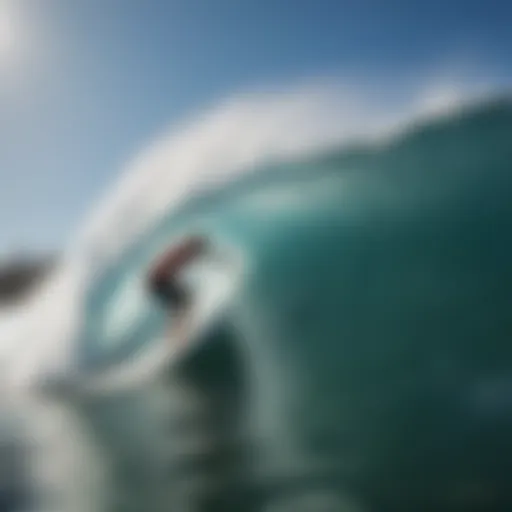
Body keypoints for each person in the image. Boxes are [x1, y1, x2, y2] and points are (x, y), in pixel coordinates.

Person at [146, 234, 209, 345]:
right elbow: (167, 271)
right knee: (183, 303)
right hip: (158, 282)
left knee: (182, 303)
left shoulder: (183, 251)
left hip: (158, 281)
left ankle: (176, 333)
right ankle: (177, 335)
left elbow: (171, 270)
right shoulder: (184, 253)